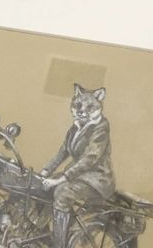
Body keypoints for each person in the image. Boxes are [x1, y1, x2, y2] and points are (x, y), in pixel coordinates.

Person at [40, 84, 115, 248]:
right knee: (43, 187)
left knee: (62, 192)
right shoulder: (75, 127)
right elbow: (62, 152)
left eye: (89, 107)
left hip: (97, 181)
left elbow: (90, 158)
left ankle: (59, 245)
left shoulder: (101, 128)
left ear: (99, 105)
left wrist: (60, 179)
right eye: (78, 105)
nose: (82, 110)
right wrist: (45, 171)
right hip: (80, 176)